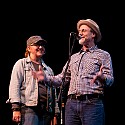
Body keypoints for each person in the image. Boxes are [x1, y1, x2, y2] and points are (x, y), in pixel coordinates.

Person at [31, 19, 114, 125]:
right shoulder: (73, 57)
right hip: (71, 104)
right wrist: (46, 78)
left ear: (93, 34)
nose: (80, 33)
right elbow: (62, 78)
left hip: (92, 103)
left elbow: (110, 79)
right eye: (79, 30)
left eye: (83, 30)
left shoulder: (103, 55)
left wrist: (103, 77)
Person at [6, 35, 59, 125]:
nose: (41, 47)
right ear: (29, 48)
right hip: (29, 109)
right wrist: (15, 108)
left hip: (46, 112)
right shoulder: (21, 64)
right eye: (37, 45)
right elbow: (15, 86)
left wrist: (55, 113)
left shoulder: (48, 69)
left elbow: (54, 92)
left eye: (42, 45)